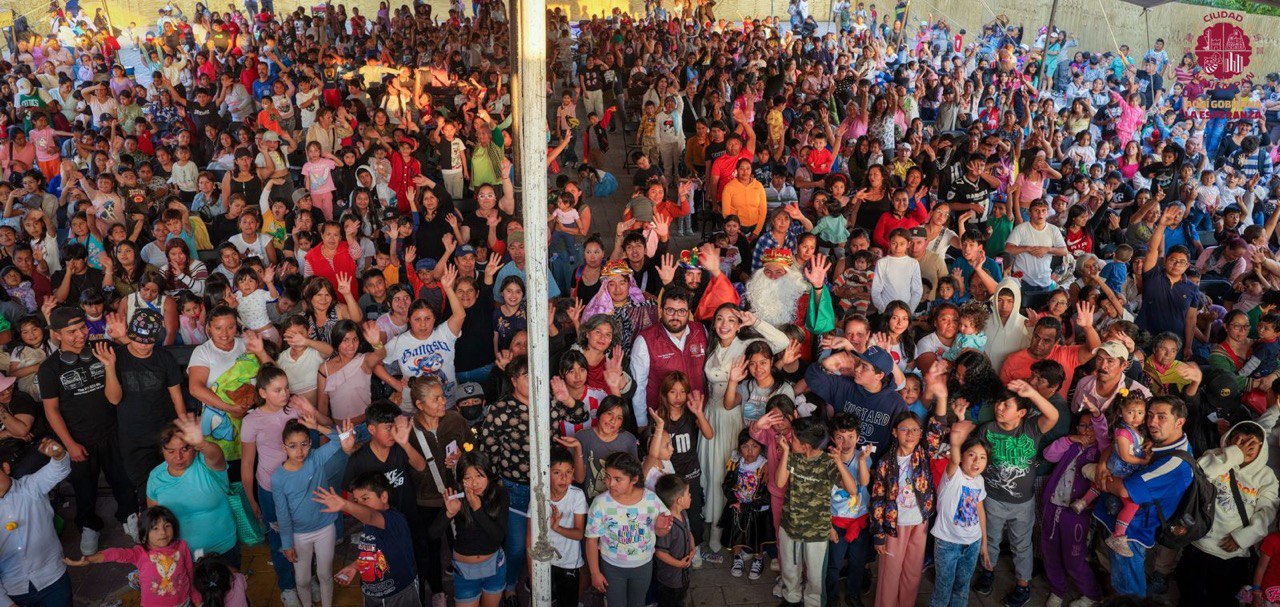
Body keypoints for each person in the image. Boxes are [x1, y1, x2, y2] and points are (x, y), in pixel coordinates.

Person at [39, 306, 137, 556]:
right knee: (84, 487)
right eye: (71, 331)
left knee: (123, 480)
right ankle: (89, 526)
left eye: (82, 327)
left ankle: (130, 517)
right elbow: (51, 410)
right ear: (57, 334)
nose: (80, 334)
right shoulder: (49, 368)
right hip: (78, 438)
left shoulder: (101, 349)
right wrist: (70, 444)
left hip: (112, 432)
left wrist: (119, 345)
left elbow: (137, 355)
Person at [1090, 396, 1196, 597]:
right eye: (1150, 415)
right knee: (1117, 575)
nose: (1152, 422)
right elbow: (1116, 447)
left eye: (1161, 417)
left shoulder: (1174, 464)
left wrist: (1098, 475)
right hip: (1120, 518)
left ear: (1179, 422)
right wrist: (1103, 462)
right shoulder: (1164, 441)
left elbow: (1124, 490)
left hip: (1132, 532)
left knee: (1128, 587)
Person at [775, 416, 862, 607]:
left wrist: (838, 462)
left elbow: (852, 489)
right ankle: (791, 598)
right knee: (790, 569)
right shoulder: (793, 457)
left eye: (793, 439)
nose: (789, 440)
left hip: (817, 531)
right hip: (790, 526)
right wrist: (786, 452)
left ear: (806, 446)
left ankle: (813, 603)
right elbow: (780, 482)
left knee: (815, 576)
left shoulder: (827, 463)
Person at [585, 452, 673, 607]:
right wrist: (595, 573)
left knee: (637, 603)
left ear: (634, 479)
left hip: (643, 566)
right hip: (611, 567)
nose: (610, 484)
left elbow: (661, 532)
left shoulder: (651, 500)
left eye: (618, 479)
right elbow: (591, 540)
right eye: (608, 477)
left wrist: (661, 528)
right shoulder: (600, 503)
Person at [323, 472, 421, 607]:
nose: (360, 504)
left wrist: (345, 505)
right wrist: (354, 566)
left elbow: (370, 516)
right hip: (371, 594)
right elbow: (373, 553)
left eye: (365, 498)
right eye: (356, 501)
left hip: (399, 594)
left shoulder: (394, 520)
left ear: (384, 496)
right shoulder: (368, 524)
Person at [63, 506, 194, 607]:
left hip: (184, 602)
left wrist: (196, 597)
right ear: (144, 534)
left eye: (167, 526)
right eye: (155, 528)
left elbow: (189, 573)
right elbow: (115, 553)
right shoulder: (140, 553)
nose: (163, 532)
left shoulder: (181, 546)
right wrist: (90, 559)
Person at [0, 438, 72, 607]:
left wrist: (59, 455)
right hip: (13, 590)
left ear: (6, 468)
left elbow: (58, 469)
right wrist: (5, 603)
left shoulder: (31, 487)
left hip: (53, 579)